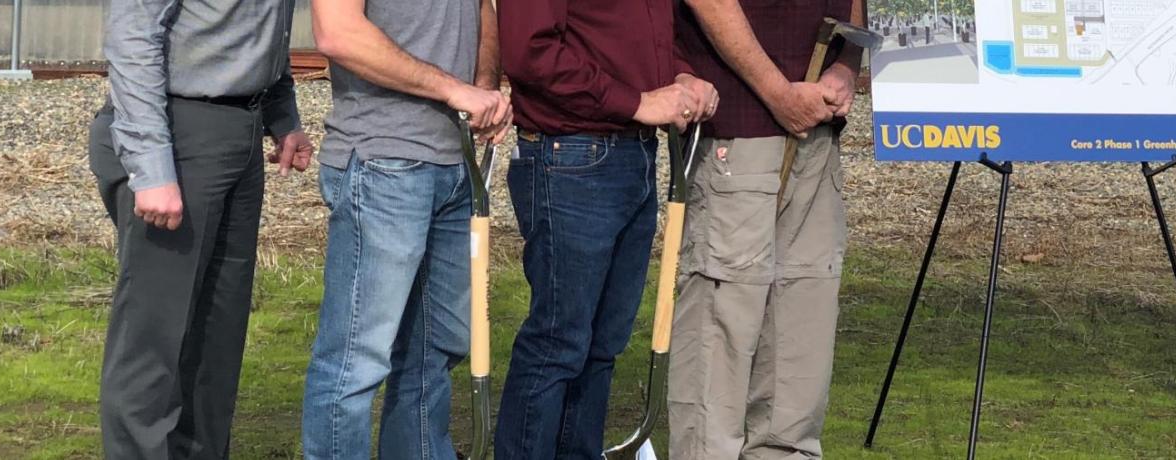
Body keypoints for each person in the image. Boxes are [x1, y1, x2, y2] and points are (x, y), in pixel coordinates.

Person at [489, 0, 717, 456]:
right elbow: (529, 51)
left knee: (602, 343)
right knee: (559, 340)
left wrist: (681, 75)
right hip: (571, 155)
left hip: (632, 153)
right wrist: (638, 101)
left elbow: (638, 40)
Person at [88, 0, 311, 456]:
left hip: (242, 133)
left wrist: (282, 116)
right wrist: (152, 166)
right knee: (155, 339)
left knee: (216, 339)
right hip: (179, 133)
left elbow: (264, 29)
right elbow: (133, 34)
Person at [298, 0, 512, 456]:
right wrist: (453, 89)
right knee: (355, 362)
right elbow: (337, 32)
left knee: (435, 349)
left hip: (454, 164)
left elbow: (482, 9)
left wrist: (484, 88)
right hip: (382, 163)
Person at [666, 0, 859, 456]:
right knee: (722, 329)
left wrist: (848, 63)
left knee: (802, 325)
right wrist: (778, 94)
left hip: (817, 136)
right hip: (740, 131)